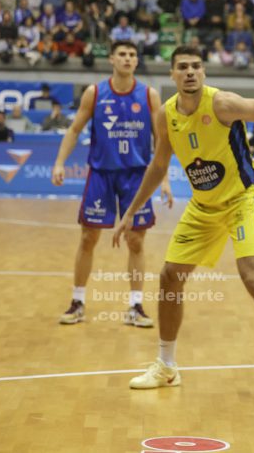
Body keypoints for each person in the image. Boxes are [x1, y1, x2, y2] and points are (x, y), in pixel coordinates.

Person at [111, 46, 254, 404]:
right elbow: (159, 165)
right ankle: (167, 365)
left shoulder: (222, 103)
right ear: (172, 74)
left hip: (241, 199)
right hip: (203, 207)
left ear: (203, 72)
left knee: (253, 277)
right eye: (182, 67)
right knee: (169, 276)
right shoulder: (166, 115)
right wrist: (130, 212)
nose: (190, 72)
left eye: (196, 66)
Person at [52, 41, 172, 327]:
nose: (128, 58)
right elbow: (74, 129)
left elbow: (161, 139)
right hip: (101, 174)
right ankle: (77, 302)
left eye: (132, 55)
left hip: (136, 177)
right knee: (88, 238)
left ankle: (136, 306)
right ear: (112, 59)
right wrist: (59, 162)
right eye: (122, 54)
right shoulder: (94, 93)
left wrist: (164, 178)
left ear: (136, 61)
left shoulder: (149, 95)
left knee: (136, 241)